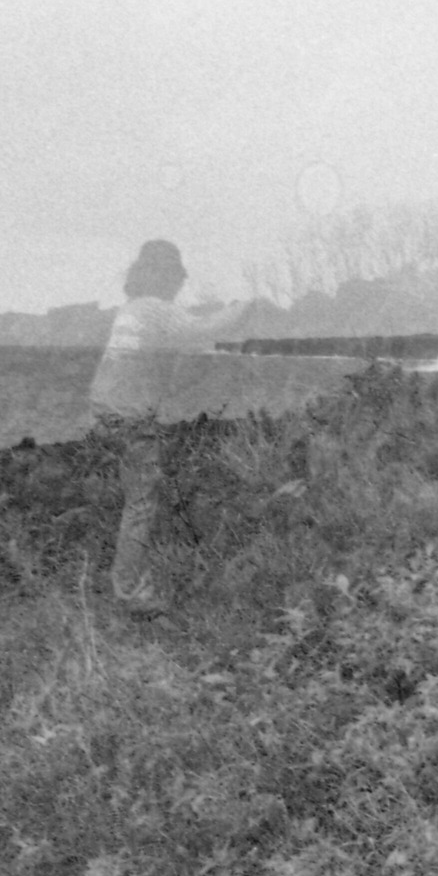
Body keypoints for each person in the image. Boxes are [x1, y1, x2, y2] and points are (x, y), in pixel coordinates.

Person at [89, 239, 244, 617]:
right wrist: (245, 306)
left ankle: (127, 573)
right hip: (131, 416)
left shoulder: (131, 309)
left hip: (107, 408)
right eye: (175, 276)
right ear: (162, 277)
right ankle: (129, 590)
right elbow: (204, 328)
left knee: (137, 492)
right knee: (141, 501)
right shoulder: (155, 308)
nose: (179, 284)